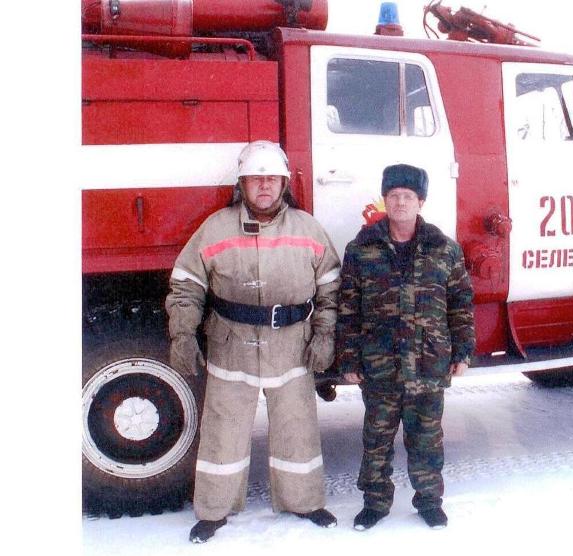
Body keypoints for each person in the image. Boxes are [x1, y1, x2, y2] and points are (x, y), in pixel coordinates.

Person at [166, 140, 341, 543]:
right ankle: (214, 510)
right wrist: (183, 334)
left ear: (284, 183)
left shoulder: (308, 228)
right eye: (255, 179)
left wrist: (325, 336)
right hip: (232, 345)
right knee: (223, 430)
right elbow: (187, 286)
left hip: (292, 346)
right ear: (241, 185)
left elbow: (331, 288)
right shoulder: (215, 228)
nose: (264, 186)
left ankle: (305, 502)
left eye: (271, 179)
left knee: (297, 428)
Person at [336, 163, 475, 530]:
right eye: (393, 196)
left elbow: (460, 303)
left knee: (427, 438)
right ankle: (375, 503)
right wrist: (348, 357)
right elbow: (348, 307)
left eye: (407, 196)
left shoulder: (444, 249)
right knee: (376, 439)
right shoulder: (361, 248)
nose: (400, 202)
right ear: (384, 200)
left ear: (420, 202)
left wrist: (462, 351)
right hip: (379, 364)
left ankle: (429, 501)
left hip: (429, 362)